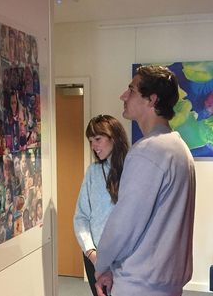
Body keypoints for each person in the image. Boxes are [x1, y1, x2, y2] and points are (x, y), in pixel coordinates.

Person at [94, 65, 196, 296]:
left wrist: (102, 264)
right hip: (167, 282)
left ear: (151, 99)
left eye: (131, 89)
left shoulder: (148, 151)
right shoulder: (180, 149)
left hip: (141, 285)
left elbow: (125, 224)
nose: (123, 95)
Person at [73, 114, 129, 296]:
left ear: (114, 137)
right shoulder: (93, 172)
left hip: (125, 260)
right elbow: (81, 217)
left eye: (98, 139)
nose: (93, 146)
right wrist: (92, 254)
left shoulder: (133, 168)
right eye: (90, 141)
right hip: (94, 256)